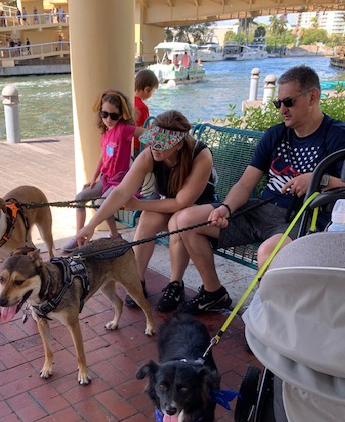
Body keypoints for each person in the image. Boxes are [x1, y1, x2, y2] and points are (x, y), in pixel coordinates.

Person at [171, 65, 345, 315]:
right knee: (185, 220)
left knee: (267, 252)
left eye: (289, 102)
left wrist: (320, 180)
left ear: (313, 97)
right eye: (278, 103)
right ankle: (213, 292)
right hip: (261, 211)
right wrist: (226, 208)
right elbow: (245, 184)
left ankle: (267, 319)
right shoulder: (275, 135)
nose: (282, 109)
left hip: (300, 219)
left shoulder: (337, 136)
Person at [70, 110, 217, 311]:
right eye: (152, 141)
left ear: (179, 144)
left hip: (199, 208)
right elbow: (121, 192)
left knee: (177, 220)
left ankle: (175, 284)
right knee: (147, 219)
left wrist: (137, 204)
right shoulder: (150, 155)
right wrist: (90, 226)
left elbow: (181, 202)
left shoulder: (200, 155)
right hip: (170, 205)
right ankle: (136, 281)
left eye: (161, 144)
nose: (153, 147)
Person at [62, 90, 146, 252]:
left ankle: (112, 235)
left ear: (121, 115)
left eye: (113, 116)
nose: (108, 119)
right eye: (104, 114)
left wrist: (162, 139)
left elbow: (145, 134)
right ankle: (79, 236)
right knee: (80, 197)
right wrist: (93, 179)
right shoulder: (106, 133)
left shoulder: (124, 130)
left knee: (102, 204)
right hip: (106, 180)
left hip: (120, 182)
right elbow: (102, 157)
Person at [134, 69, 159, 157]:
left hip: (129, 144)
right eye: (153, 91)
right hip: (138, 147)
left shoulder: (129, 102)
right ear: (147, 89)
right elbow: (145, 130)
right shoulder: (142, 107)